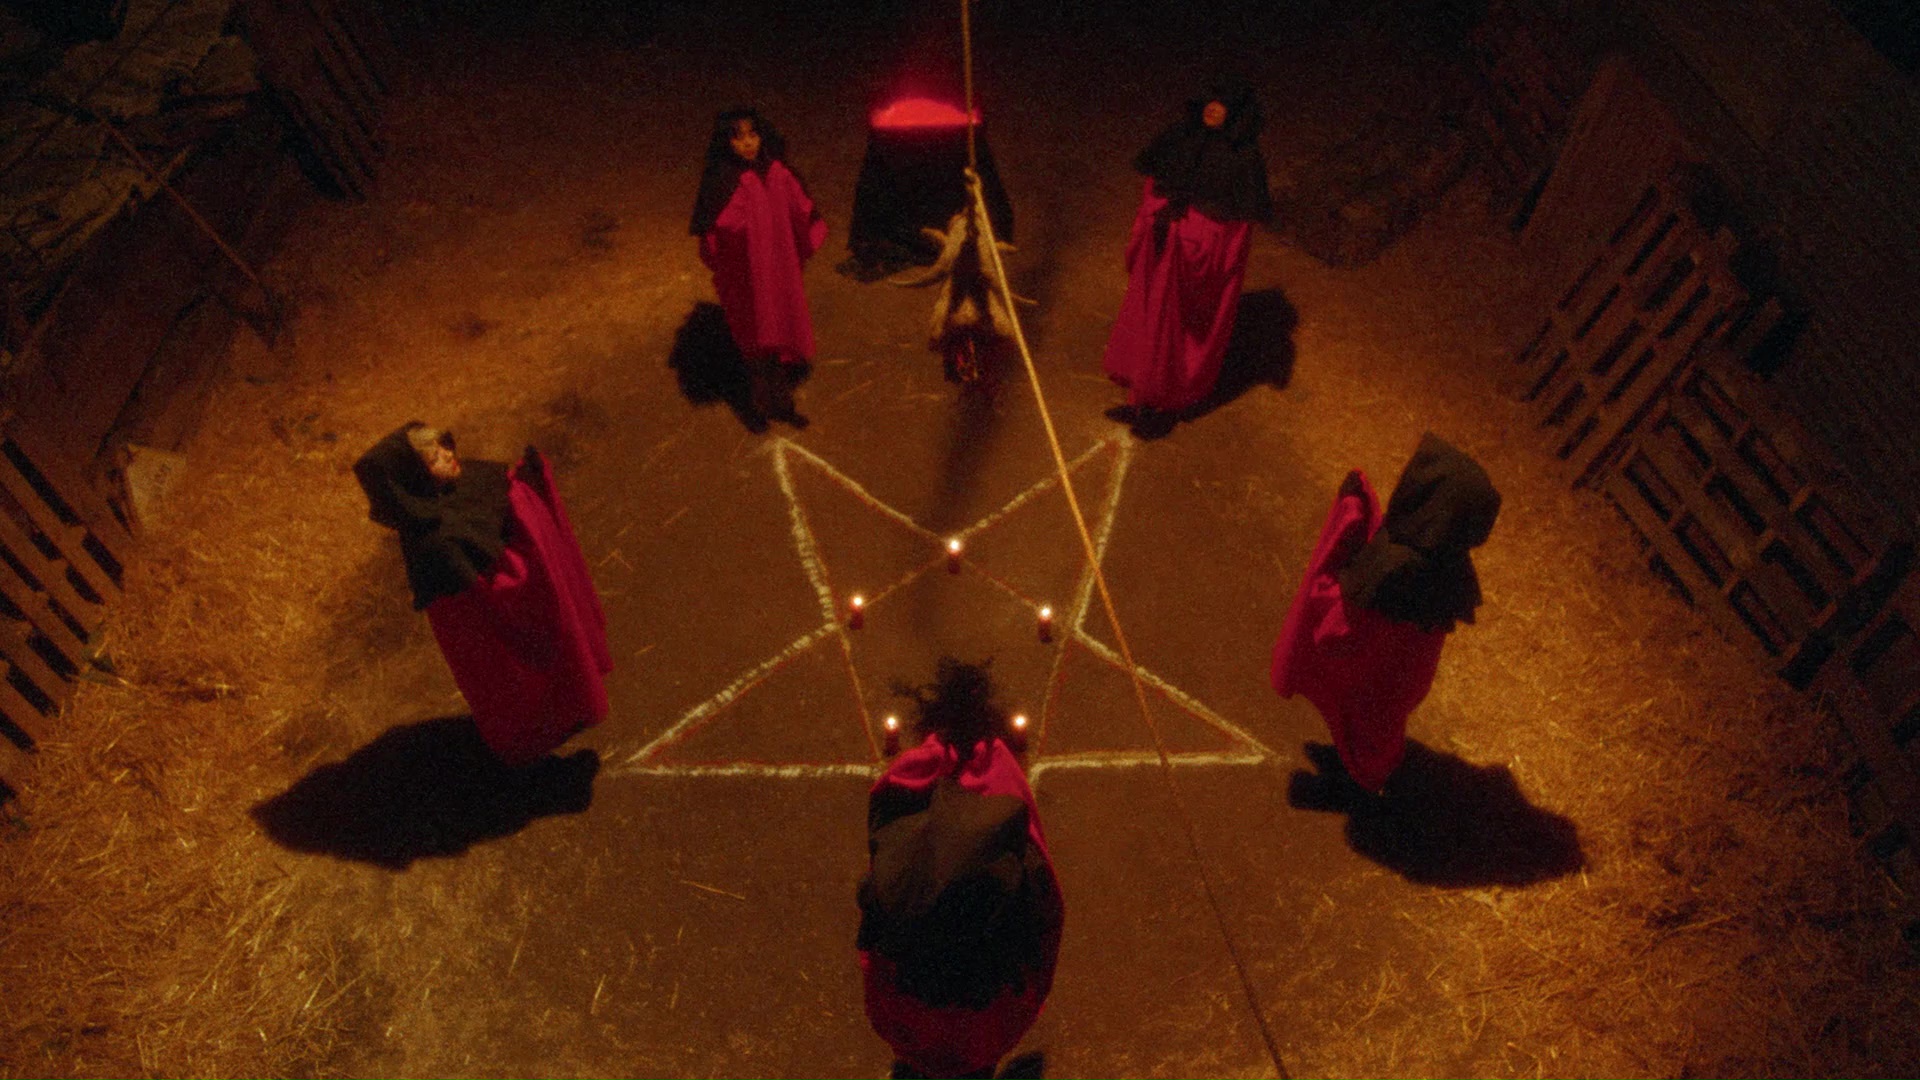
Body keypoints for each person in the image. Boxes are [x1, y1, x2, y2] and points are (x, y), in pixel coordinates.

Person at [353, 423, 612, 766]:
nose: (449, 455)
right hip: (493, 631)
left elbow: (504, 496)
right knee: (520, 686)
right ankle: (540, 732)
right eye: (434, 459)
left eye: (444, 446)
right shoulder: (435, 542)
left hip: (513, 603)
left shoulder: (467, 480)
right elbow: (498, 593)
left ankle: (571, 704)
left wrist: (529, 486)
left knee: (560, 668)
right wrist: (525, 550)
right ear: (414, 479)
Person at [858, 659, 1064, 1080]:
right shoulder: (1002, 776)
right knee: (974, 1065)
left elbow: (878, 868)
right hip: (982, 1008)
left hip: (910, 996)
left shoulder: (911, 771)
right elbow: (1044, 897)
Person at [1270, 434, 1502, 794]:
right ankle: (1356, 763)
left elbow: (1342, 623)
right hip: (1399, 677)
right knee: (1371, 724)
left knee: (1366, 729)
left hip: (1376, 676)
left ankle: (1355, 781)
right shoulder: (1444, 561)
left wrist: (1344, 533)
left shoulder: (1403, 568)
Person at [1102, 78, 1271, 436]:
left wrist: (1188, 233)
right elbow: (1154, 186)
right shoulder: (1181, 136)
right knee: (1148, 322)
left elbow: (1232, 235)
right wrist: (1157, 217)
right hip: (1162, 251)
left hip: (1190, 264)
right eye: (1211, 99)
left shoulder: (1243, 159)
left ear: (1236, 112)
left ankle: (1164, 403)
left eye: (1223, 103)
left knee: (1176, 336)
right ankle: (1140, 397)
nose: (1213, 107)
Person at [690, 107, 828, 429]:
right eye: (738, 138)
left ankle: (779, 397)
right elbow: (714, 232)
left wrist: (803, 234)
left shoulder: (777, 173)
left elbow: (801, 210)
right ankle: (762, 400)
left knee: (779, 325)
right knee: (754, 334)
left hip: (777, 270)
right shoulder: (722, 181)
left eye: (753, 134)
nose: (748, 143)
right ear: (726, 142)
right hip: (745, 276)